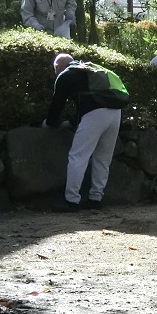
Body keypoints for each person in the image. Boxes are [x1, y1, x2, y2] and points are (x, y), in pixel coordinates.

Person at [43, 53, 130, 212]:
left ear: (57, 66)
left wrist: (49, 123)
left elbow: (57, 104)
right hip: (115, 112)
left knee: (78, 156)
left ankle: (71, 201)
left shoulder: (65, 75)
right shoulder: (90, 69)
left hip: (95, 113)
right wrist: (71, 122)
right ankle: (95, 199)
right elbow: (87, 99)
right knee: (103, 158)